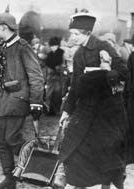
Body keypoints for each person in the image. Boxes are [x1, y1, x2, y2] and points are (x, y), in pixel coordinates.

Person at [59, 13, 128, 189]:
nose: (72, 37)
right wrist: (67, 111)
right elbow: (74, 86)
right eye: (71, 33)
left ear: (87, 33)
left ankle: (114, 185)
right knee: (76, 151)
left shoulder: (103, 46)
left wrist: (104, 71)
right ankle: (78, 184)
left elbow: (122, 72)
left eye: (76, 34)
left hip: (107, 112)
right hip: (86, 109)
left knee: (109, 156)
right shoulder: (78, 54)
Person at [0, 11, 44, 189]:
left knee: (12, 140)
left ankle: (39, 168)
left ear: (4, 27)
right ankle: (9, 179)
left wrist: (36, 102)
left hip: (17, 99)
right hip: (2, 99)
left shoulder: (22, 46)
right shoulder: (3, 47)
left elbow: (36, 77)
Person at [45, 36, 65, 115]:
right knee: (49, 93)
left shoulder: (60, 52)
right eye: (52, 46)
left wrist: (54, 66)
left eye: (54, 46)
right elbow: (48, 62)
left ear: (57, 45)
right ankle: (49, 109)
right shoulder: (52, 53)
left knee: (57, 93)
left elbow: (51, 63)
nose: (52, 47)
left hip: (57, 75)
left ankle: (56, 110)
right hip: (52, 75)